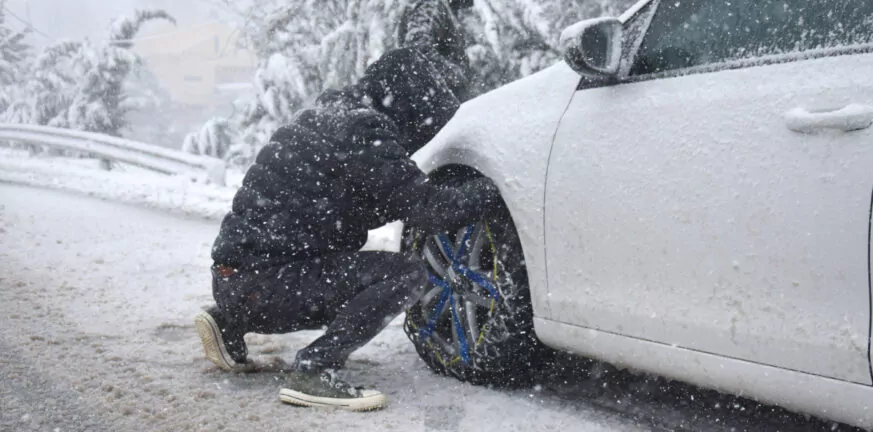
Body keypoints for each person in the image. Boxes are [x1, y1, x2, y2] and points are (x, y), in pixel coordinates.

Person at [194, 0, 498, 412]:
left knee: (337, 263)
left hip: (236, 278)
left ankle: (228, 320)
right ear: (408, 106)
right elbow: (430, 210)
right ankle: (314, 370)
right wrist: (496, 189)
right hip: (265, 283)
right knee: (405, 274)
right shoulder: (363, 135)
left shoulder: (333, 117)